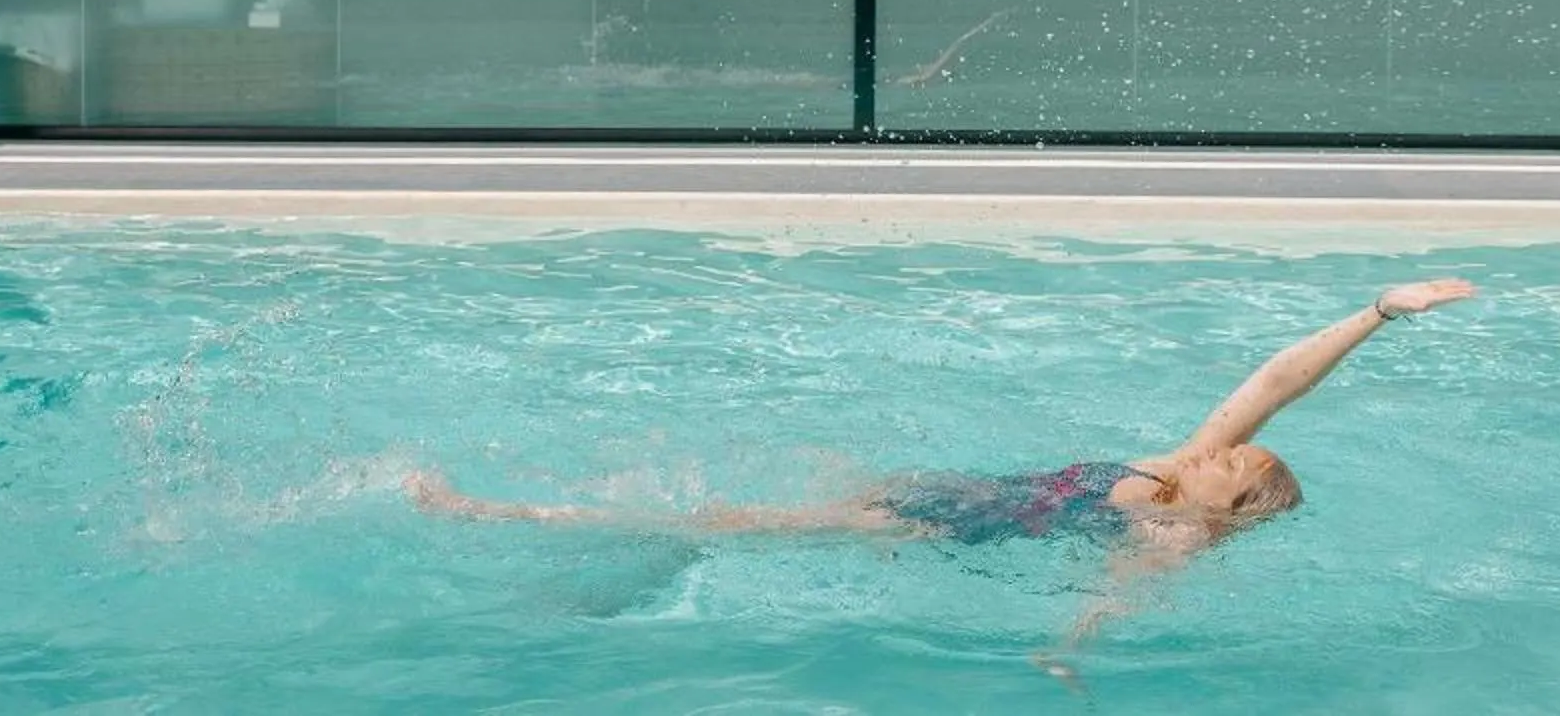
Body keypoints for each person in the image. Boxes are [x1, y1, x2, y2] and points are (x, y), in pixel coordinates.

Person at [408, 275, 1478, 683]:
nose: (1222, 445)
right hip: (957, 493)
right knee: (740, 516)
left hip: (946, 531)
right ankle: (536, 514)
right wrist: (1378, 314)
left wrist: (1065, 654)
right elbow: (1277, 381)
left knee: (737, 525)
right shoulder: (1178, 473)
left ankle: (500, 511)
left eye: (1231, 461)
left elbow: (1115, 600)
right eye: (1230, 445)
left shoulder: (1173, 530)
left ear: (1227, 506)